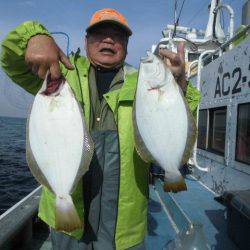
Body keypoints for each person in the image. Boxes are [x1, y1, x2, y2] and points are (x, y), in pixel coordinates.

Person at [1, 8, 200, 250]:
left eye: (117, 36)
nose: (108, 39)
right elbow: (11, 62)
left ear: (126, 45)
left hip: (124, 228)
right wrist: (34, 37)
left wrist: (178, 86)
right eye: (99, 34)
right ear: (86, 41)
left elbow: (179, 121)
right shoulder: (57, 74)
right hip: (68, 226)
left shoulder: (144, 82)